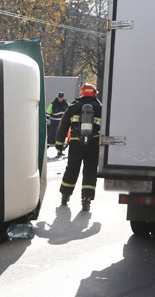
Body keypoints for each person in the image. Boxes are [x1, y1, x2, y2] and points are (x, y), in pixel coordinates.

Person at [55, 83, 102, 212]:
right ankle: (86, 201)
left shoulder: (73, 107)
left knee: (72, 169)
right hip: (94, 144)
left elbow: (63, 126)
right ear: (94, 93)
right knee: (90, 171)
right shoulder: (100, 108)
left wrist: (59, 145)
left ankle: (65, 196)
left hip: (76, 143)